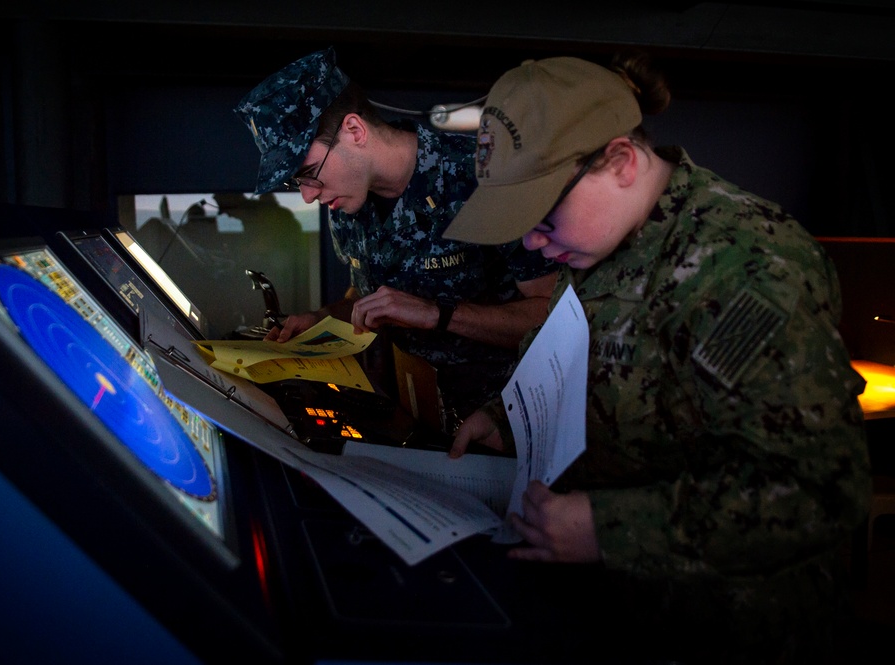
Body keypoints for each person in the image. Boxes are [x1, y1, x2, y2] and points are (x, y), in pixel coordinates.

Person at [442, 52, 873, 664]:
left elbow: (821, 489)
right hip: (621, 615)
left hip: (732, 633)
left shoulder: (739, 267)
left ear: (620, 161)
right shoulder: (597, 241)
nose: (531, 243)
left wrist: (604, 528)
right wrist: (503, 413)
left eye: (541, 215)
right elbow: (583, 355)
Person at [233, 47, 558, 432]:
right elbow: (369, 296)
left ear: (354, 131)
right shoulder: (345, 202)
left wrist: (439, 314)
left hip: (510, 423)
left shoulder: (480, 178)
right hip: (419, 414)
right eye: (296, 182)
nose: (307, 195)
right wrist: (322, 319)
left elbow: (555, 316)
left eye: (307, 172)